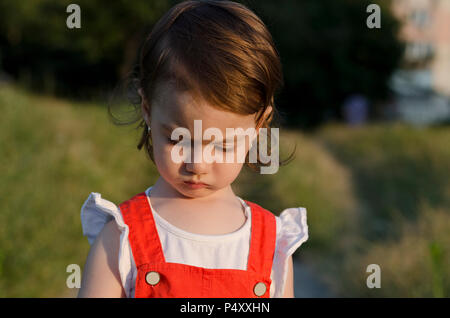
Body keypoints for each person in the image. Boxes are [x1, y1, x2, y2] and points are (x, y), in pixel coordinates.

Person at [78, 0, 308, 298]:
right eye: (178, 140)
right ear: (148, 109)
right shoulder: (122, 237)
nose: (197, 164)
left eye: (223, 145)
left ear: (258, 126)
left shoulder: (272, 244)